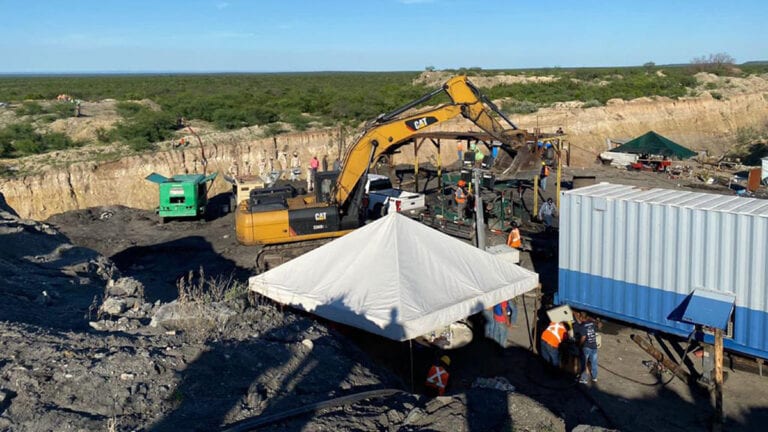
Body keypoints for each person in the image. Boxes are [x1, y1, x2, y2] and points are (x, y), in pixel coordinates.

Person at [574, 311, 599, 384]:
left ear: (582, 317)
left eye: (579, 317)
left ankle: (583, 379)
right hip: (594, 346)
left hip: (586, 347)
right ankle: (594, 377)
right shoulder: (592, 323)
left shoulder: (583, 326)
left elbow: (583, 337)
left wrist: (579, 345)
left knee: (584, 363)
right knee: (594, 363)